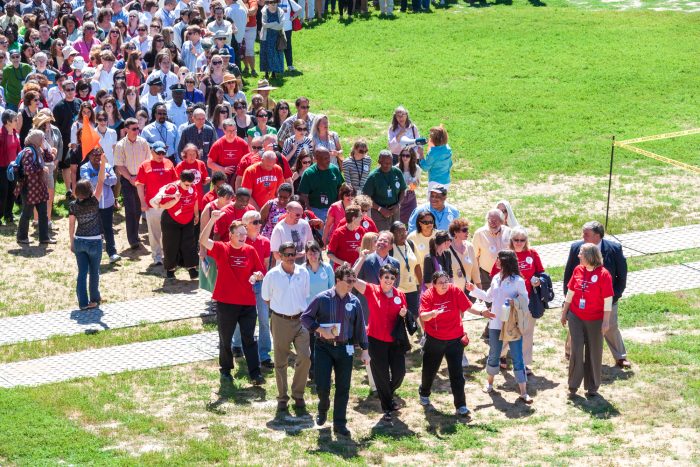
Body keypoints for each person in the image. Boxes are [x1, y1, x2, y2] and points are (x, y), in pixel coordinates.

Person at [301, 264, 370, 437]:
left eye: (353, 280)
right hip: (323, 347)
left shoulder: (354, 301)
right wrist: (320, 329)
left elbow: (360, 327)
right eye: (348, 280)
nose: (351, 284)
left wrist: (365, 349)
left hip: (345, 349)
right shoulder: (322, 298)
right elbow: (305, 318)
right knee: (323, 385)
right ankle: (323, 407)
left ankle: (340, 423)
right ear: (338, 280)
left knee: (343, 387)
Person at [199, 215, 266, 386]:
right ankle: (226, 370)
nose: (243, 237)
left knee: (249, 338)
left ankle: (255, 373)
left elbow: (260, 271)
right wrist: (212, 220)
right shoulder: (222, 248)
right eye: (239, 234)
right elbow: (203, 240)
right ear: (231, 235)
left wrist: (257, 275)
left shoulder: (250, 251)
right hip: (226, 302)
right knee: (226, 338)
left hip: (247, 303)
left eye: (244, 233)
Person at [467, 250, 533, 404]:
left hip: (512, 324)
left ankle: (523, 392)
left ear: (505, 261)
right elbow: (489, 297)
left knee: (517, 356)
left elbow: (525, 301)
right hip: (495, 322)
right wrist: (474, 290)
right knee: (494, 353)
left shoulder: (518, 280)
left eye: (498, 258)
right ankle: (489, 383)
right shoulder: (496, 278)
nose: (496, 261)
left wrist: (514, 302)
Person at [563, 221, 630, 368]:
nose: (583, 236)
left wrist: (614, 296)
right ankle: (570, 351)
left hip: (606, 299)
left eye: (586, 234)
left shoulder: (614, 249)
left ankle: (620, 356)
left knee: (611, 326)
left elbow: (622, 275)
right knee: (575, 325)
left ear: (597, 236)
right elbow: (568, 274)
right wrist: (568, 298)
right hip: (581, 299)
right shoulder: (576, 248)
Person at [351, 261, 412, 422]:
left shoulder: (400, 295)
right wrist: (361, 259)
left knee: (400, 373)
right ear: (380, 278)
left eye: (392, 278)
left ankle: (386, 394)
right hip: (376, 340)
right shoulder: (372, 290)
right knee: (381, 375)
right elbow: (351, 277)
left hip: (395, 341)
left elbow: (402, 318)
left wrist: (404, 314)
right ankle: (387, 406)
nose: (389, 280)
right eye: (386, 277)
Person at [419, 271, 483, 416]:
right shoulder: (428, 295)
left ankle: (461, 405)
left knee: (457, 374)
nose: (444, 285)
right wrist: (431, 314)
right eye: (440, 282)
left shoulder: (454, 290)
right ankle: (424, 393)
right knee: (429, 370)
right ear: (433, 284)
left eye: (446, 281)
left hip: (455, 339)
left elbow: (467, 306)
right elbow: (423, 316)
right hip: (435, 339)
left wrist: (482, 313)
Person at [261, 241, 311, 411]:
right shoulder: (272, 275)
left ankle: (298, 394)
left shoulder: (303, 272)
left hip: (300, 319)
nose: (291, 258)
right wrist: (281, 310)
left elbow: (305, 294)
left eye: (293, 254)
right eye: (287, 255)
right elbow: (266, 298)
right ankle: (282, 396)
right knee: (280, 360)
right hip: (280, 320)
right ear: (280, 256)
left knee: (305, 356)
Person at [560, 243, 615, 397]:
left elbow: (607, 301)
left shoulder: (604, 274)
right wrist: (565, 312)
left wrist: (606, 321)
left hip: (596, 319)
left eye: (581, 253)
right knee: (576, 350)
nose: (578, 256)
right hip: (576, 316)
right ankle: (573, 385)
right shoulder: (578, 270)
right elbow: (570, 293)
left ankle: (592, 386)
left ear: (590, 256)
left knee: (594, 351)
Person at [490, 226, 544, 374]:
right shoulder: (505, 255)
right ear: (511, 240)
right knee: (507, 328)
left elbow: (541, 272)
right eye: (516, 240)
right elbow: (493, 274)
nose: (519, 243)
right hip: (507, 302)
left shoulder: (532, 254)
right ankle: (500, 355)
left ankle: (524, 363)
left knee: (526, 331)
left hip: (526, 300)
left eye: (522, 240)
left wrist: (538, 281)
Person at [231, 210, 273, 365]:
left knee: (263, 319)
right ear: (246, 225)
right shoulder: (241, 241)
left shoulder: (265, 242)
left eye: (260, 221)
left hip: (260, 284)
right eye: (255, 222)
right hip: (243, 285)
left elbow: (266, 265)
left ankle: (264, 354)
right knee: (239, 317)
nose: (259, 224)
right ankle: (236, 344)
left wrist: (260, 276)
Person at [69, 150, 107, 309]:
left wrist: (71, 241)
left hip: (79, 241)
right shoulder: (94, 201)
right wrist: (103, 163)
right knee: (94, 272)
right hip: (94, 242)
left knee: (82, 273)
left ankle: (83, 303)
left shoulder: (73, 206)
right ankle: (95, 299)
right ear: (90, 191)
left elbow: (71, 225)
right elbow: (100, 180)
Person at [136, 141, 179, 265]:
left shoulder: (169, 163)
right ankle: (157, 256)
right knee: (154, 231)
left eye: (163, 152)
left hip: (169, 204)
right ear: (151, 151)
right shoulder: (145, 165)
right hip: (152, 205)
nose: (161, 155)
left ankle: (168, 254)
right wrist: (142, 203)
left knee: (169, 230)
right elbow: (140, 186)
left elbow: (176, 183)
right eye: (158, 152)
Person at [114, 117, 151, 249]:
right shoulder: (120, 145)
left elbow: (148, 162)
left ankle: (135, 234)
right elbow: (119, 165)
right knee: (130, 209)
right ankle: (133, 239)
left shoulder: (143, 142)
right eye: (134, 129)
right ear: (126, 130)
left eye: (138, 128)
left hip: (141, 180)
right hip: (127, 180)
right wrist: (130, 178)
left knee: (138, 209)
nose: (137, 131)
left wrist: (142, 178)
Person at [155, 169, 200, 279]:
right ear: (180, 180)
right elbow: (162, 205)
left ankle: (192, 268)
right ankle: (170, 270)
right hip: (171, 220)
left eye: (190, 184)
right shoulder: (172, 188)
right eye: (186, 185)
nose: (188, 187)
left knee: (189, 244)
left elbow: (195, 200)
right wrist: (174, 200)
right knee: (171, 244)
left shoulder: (192, 187)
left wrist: (196, 214)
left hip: (188, 219)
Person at [80, 147, 121, 263]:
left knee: (108, 228)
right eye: (94, 154)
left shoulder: (107, 166)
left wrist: (102, 178)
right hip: (92, 204)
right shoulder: (84, 168)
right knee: (94, 230)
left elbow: (114, 180)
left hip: (107, 202)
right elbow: (87, 182)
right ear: (89, 156)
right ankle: (92, 255)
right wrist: (103, 177)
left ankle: (112, 253)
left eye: (100, 154)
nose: (97, 157)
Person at [15, 129, 55, 244]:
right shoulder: (29, 151)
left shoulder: (38, 149)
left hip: (39, 187)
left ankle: (44, 237)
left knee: (43, 212)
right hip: (29, 187)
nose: (44, 140)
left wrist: (47, 149)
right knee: (27, 212)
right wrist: (41, 168)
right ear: (36, 139)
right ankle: (21, 237)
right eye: (42, 138)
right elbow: (28, 169)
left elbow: (49, 158)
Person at [362, 150, 406, 232]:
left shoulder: (397, 172)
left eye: (390, 163)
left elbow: (403, 190)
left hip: (395, 210)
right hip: (379, 212)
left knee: (396, 235)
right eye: (385, 163)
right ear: (379, 161)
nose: (388, 166)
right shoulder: (373, 176)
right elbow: (366, 197)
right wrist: (380, 209)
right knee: (383, 236)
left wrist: (398, 205)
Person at [472, 208, 512, 298]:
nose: (492, 223)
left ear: (501, 221)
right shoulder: (479, 233)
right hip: (487, 274)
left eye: (496, 220)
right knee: (489, 301)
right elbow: (474, 256)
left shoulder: (508, 232)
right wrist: (476, 277)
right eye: (490, 220)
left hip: (506, 272)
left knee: (505, 300)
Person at [297, 147, 344, 222]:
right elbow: (304, 195)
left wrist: (339, 205)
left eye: (328, 157)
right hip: (317, 210)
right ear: (317, 159)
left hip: (334, 208)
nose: (328, 160)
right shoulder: (309, 173)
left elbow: (341, 188)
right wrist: (310, 213)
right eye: (325, 158)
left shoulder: (334, 169)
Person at [52, 79, 81, 199]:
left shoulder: (79, 102)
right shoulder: (59, 107)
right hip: (64, 139)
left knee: (78, 164)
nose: (70, 92)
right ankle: (68, 189)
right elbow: (56, 126)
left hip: (79, 139)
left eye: (72, 89)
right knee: (66, 165)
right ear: (63, 91)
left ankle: (78, 188)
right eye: (67, 90)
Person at [390, 221, 422, 322]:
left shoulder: (411, 244)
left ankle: (412, 335)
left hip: (412, 286)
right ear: (392, 234)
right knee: (396, 316)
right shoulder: (390, 248)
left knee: (414, 315)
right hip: (397, 288)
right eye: (399, 232)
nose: (403, 234)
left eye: (404, 231)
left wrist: (421, 284)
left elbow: (417, 265)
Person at [208, 118, 251, 186]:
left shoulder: (242, 143)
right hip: (222, 179)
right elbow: (210, 163)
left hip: (239, 178)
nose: (232, 133)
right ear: (224, 130)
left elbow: (249, 160)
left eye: (234, 130)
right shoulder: (218, 144)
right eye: (229, 131)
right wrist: (223, 169)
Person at [448, 218, 480, 295]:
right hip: (452, 291)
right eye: (464, 230)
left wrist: (479, 285)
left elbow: (475, 268)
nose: (467, 232)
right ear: (455, 232)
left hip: (467, 290)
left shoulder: (469, 246)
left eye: (467, 229)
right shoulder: (447, 248)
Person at [327, 205, 366, 270]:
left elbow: (365, 248)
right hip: (342, 271)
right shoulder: (338, 232)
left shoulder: (361, 230)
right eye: (360, 216)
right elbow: (330, 254)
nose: (362, 218)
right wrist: (343, 263)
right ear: (353, 218)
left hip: (357, 270)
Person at [0, 110, 20, 225]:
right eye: (15, 120)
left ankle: (8, 214)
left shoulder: (14, 133)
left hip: (13, 168)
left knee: (12, 192)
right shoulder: (0, 135)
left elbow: (18, 149)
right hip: (2, 168)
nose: (17, 122)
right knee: (3, 192)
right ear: (8, 122)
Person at [419, 125, 452, 192]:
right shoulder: (448, 148)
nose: (429, 138)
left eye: (430, 137)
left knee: (432, 200)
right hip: (446, 180)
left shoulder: (433, 153)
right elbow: (450, 164)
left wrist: (421, 155)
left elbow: (425, 167)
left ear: (434, 139)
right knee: (442, 200)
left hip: (435, 182)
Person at [259, 0, 284, 80]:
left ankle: (274, 72)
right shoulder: (264, 11)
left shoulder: (280, 11)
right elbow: (264, 24)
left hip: (277, 36)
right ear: (268, 3)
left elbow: (280, 26)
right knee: (265, 54)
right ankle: (266, 73)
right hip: (266, 37)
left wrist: (270, 25)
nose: (273, 4)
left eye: (275, 2)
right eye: (270, 2)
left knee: (275, 54)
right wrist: (275, 23)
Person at [395, 146, 421, 226]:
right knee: (398, 220)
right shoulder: (396, 168)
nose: (405, 158)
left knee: (413, 218)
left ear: (412, 157)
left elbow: (417, 184)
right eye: (403, 155)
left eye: (407, 156)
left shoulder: (416, 168)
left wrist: (411, 186)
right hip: (399, 196)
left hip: (410, 196)